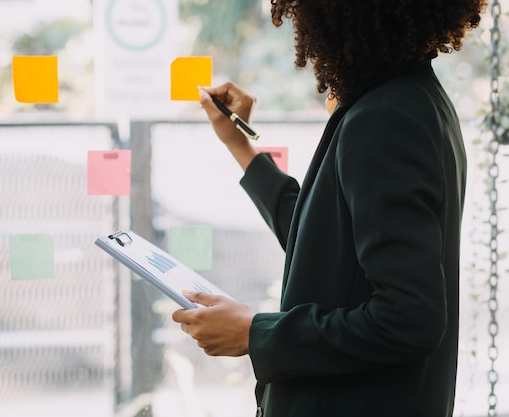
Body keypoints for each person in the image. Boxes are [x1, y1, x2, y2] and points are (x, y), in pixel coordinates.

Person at [172, 1, 486, 416]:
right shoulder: (413, 99)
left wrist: (255, 334)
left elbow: (410, 318)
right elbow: (320, 242)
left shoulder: (382, 119)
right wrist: (239, 145)